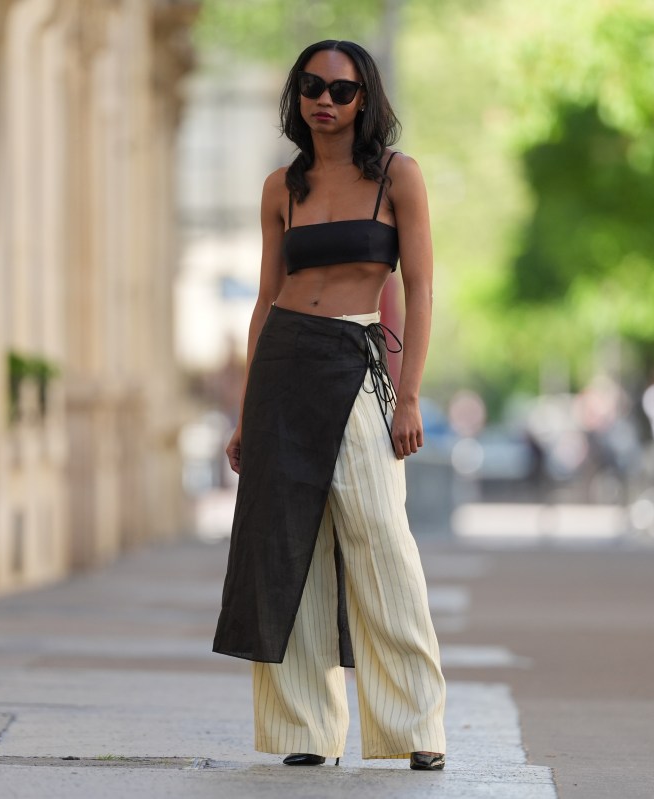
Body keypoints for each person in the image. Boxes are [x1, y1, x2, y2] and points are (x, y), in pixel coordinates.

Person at [212, 39, 447, 771]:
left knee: (382, 539)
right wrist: (245, 410)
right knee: (289, 547)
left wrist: (408, 395)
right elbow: (262, 302)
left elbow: (420, 287)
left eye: (341, 91)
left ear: (365, 101)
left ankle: (416, 725)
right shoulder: (282, 187)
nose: (325, 100)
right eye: (312, 86)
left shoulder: (397, 178)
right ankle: (305, 730)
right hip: (284, 362)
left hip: (356, 358)